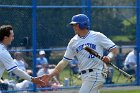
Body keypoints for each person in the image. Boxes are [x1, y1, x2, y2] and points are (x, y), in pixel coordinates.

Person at [40, 14, 118, 93]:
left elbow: (114, 49)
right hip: (84, 76)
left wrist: (109, 57)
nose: (73, 27)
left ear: (83, 24)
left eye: (75, 25)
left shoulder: (97, 36)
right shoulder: (73, 41)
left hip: (96, 74)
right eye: (73, 25)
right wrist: (50, 75)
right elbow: (64, 62)